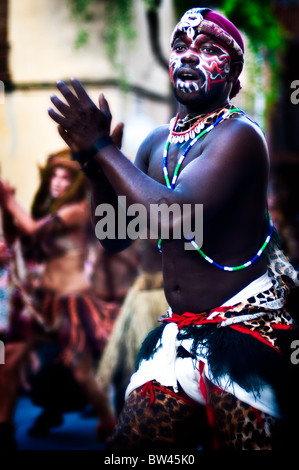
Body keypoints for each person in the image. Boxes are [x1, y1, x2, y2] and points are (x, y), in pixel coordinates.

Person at [48, 8, 299, 450]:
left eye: (206, 49)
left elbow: (174, 215)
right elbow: (115, 234)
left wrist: (104, 148)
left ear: (234, 72)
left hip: (246, 334)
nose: (188, 57)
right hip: (180, 334)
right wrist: (94, 167)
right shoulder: (156, 143)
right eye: (180, 47)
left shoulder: (240, 135)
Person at [0, 150, 118, 449]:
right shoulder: (48, 209)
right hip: (41, 303)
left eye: (66, 176)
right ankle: (4, 430)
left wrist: (8, 200)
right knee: (10, 359)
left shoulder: (78, 210)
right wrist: (6, 209)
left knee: (81, 372)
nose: (57, 181)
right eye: (54, 174)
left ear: (78, 181)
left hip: (72, 304)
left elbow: (33, 229)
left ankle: (110, 423)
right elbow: (20, 239)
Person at [97, 238, 168, 416]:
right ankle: (125, 416)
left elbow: (156, 237)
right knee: (126, 364)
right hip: (142, 294)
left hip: (166, 295)